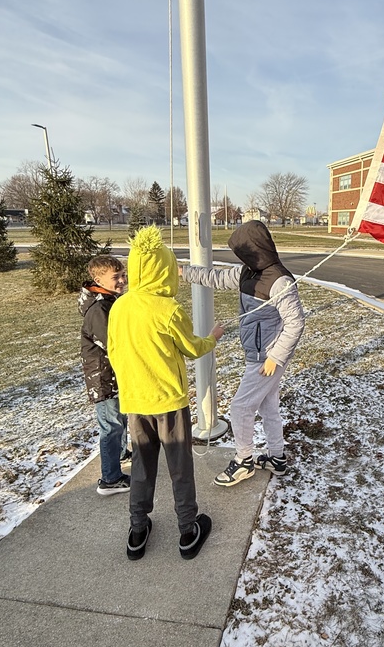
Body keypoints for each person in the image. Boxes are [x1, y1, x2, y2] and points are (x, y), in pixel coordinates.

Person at [107, 226, 224, 561]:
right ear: (163, 270)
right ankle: (188, 530)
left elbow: (113, 352)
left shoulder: (119, 308)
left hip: (135, 402)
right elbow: (192, 348)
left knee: (142, 466)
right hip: (169, 404)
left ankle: (137, 530)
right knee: (179, 467)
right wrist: (213, 336)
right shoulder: (168, 309)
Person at [180, 220, 305, 486]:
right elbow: (215, 277)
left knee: (240, 408)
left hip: (267, 358)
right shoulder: (247, 272)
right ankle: (276, 458)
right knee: (268, 406)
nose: (242, 258)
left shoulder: (280, 281)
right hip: (259, 355)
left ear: (256, 250)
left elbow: (296, 323)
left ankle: (243, 461)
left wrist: (275, 357)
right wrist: (185, 273)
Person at [79, 254, 130, 496]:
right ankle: (110, 478)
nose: (122, 280)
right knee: (110, 425)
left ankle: (120, 454)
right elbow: (112, 343)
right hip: (104, 377)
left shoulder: (109, 299)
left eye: (123, 275)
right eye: (116, 277)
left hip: (113, 373)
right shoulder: (99, 308)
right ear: (98, 279)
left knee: (119, 418)